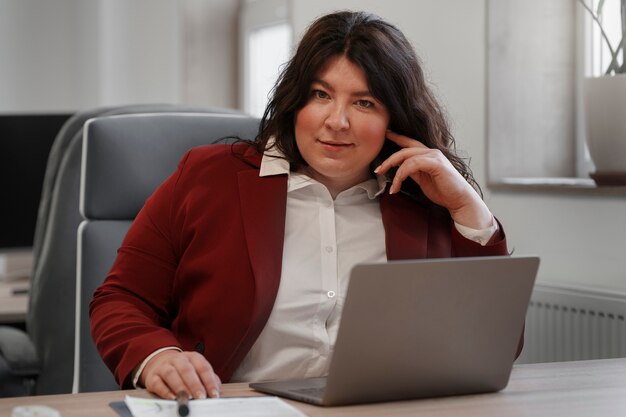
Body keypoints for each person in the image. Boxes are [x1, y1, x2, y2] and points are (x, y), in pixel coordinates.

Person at [90, 10, 512, 401]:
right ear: (296, 100)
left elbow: (496, 346)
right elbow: (120, 299)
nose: (337, 121)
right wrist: (158, 356)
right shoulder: (207, 177)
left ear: (395, 120)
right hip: (232, 408)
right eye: (320, 94)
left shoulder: (424, 197)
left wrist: (467, 208)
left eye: (364, 103)